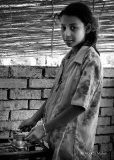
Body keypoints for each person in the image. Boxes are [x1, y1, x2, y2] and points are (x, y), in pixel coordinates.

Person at [19, 2, 103, 160]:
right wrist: (34, 119)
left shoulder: (91, 60)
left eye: (73, 27)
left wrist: (44, 128)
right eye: (63, 28)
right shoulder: (68, 58)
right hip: (56, 136)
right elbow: (55, 96)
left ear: (88, 28)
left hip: (73, 142)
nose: (66, 34)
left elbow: (79, 107)